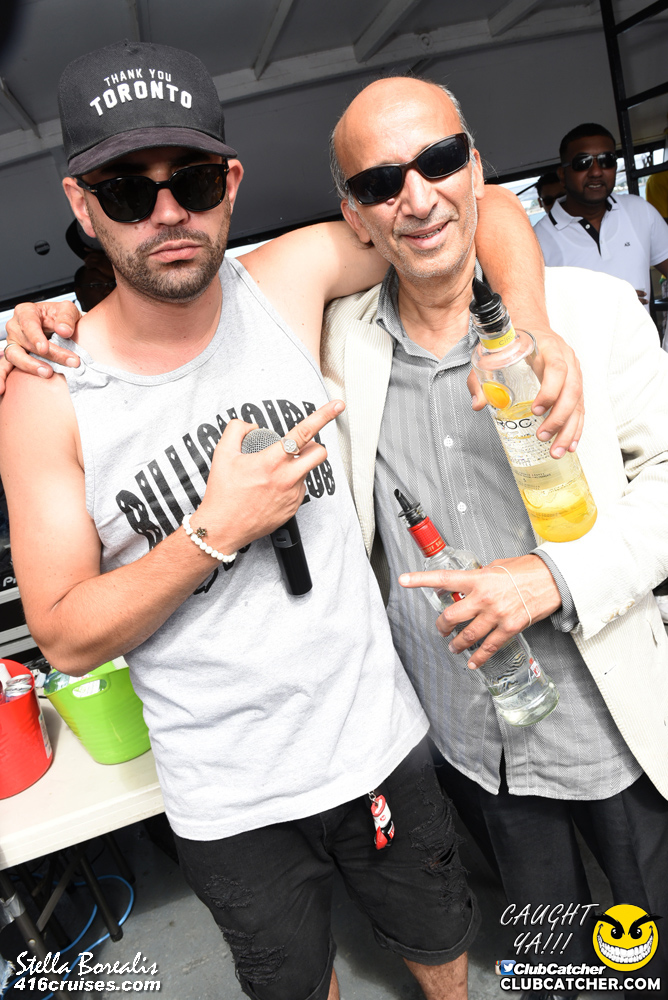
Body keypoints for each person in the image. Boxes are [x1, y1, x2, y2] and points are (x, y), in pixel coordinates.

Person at [0, 42, 585, 1000]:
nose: (167, 214)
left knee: (440, 944)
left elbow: (481, 208)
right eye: (127, 192)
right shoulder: (46, 396)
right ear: (81, 203)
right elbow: (62, 635)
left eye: (191, 182)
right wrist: (210, 534)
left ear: (229, 183)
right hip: (230, 800)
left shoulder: (285, 280)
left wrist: (526, 329)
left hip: (380, 740)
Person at [320, 78, 668, 996]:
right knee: (557, 966)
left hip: (612, 723)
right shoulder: (336, 345)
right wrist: (58, 325)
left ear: (476, 168)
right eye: (382, 182)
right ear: (355, 214)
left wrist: (553, 578)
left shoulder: (593, 311)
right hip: (475, 742)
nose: (417, 197)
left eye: (439, 161)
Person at [534, 122, 668, 308]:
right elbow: (530, 312)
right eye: (583, 163)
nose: (596, 172)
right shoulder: (536, 240)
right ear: (563, 175)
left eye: (607, 160)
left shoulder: (639, 211)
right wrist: (605, 305)